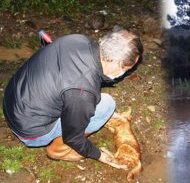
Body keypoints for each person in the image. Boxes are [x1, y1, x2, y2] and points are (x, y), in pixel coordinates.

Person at [2, 29, 143, 169]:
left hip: (13, 99)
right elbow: (73, 137)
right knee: (106, 105)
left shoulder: (78, 40)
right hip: (30, 130)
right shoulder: (83, 91)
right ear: (114, 63)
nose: (125, 73)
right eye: (126, 68)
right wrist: (100, 155)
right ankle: (59, 150)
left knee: (78, 101)